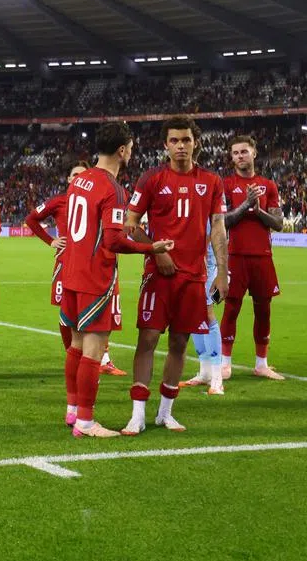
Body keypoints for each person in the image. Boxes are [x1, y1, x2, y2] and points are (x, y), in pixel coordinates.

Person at [59, 122, 171, 437]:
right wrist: (151, 248)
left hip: (71, 273)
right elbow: (113, 241)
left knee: (76, 346)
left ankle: (72, 410)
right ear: (122, 150)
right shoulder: (113, 189)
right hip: (95, 277)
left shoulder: (79, 181)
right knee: (93, 351)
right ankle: (85, 422)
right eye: (131, 148)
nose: (131, 153)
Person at [123, 116, 227, 434]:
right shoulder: (152, 178)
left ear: (196, 143)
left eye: (186, 140)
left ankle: (165, 413)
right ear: (165, 145)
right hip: (159, 275)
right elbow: (130, 223)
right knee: (148, 339)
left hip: (194, 277)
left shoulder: (211, 181)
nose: (180, 146)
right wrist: (157, 251)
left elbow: (218, 228)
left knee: (180, 343)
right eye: (174, 140)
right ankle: (137, 414)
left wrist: (223, 271)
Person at [27, 159, 126, 376]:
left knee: (102, 315)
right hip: (67, 264)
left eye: (82, 174)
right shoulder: (59, 201)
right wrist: (51, 241)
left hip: (96, 265)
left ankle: (103, 359)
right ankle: (73, 354)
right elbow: (31, 219)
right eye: (75, 175)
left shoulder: (100, 196)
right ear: (68, 179)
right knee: (67, 315)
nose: (78, 178)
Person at [220, 135, 284, 381]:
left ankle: (261, 364)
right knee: (231, 309)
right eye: (235, 153)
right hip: (235, 256)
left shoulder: (268, 186)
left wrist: (258, 211)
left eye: (244, 151)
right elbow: (222, 221)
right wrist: (246, 204)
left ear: (254, 153)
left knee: (264, 311)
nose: (240, 156)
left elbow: (278, 223)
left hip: (263, 257)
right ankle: (225, 364)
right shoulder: (226, 185)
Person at [180, 223, 225, 395]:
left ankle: (217, 378)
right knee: (193, 314)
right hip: (188, 261)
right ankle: (205, 372)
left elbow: (209, 233)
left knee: (207, 313)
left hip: (204, 263)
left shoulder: (206, 207)